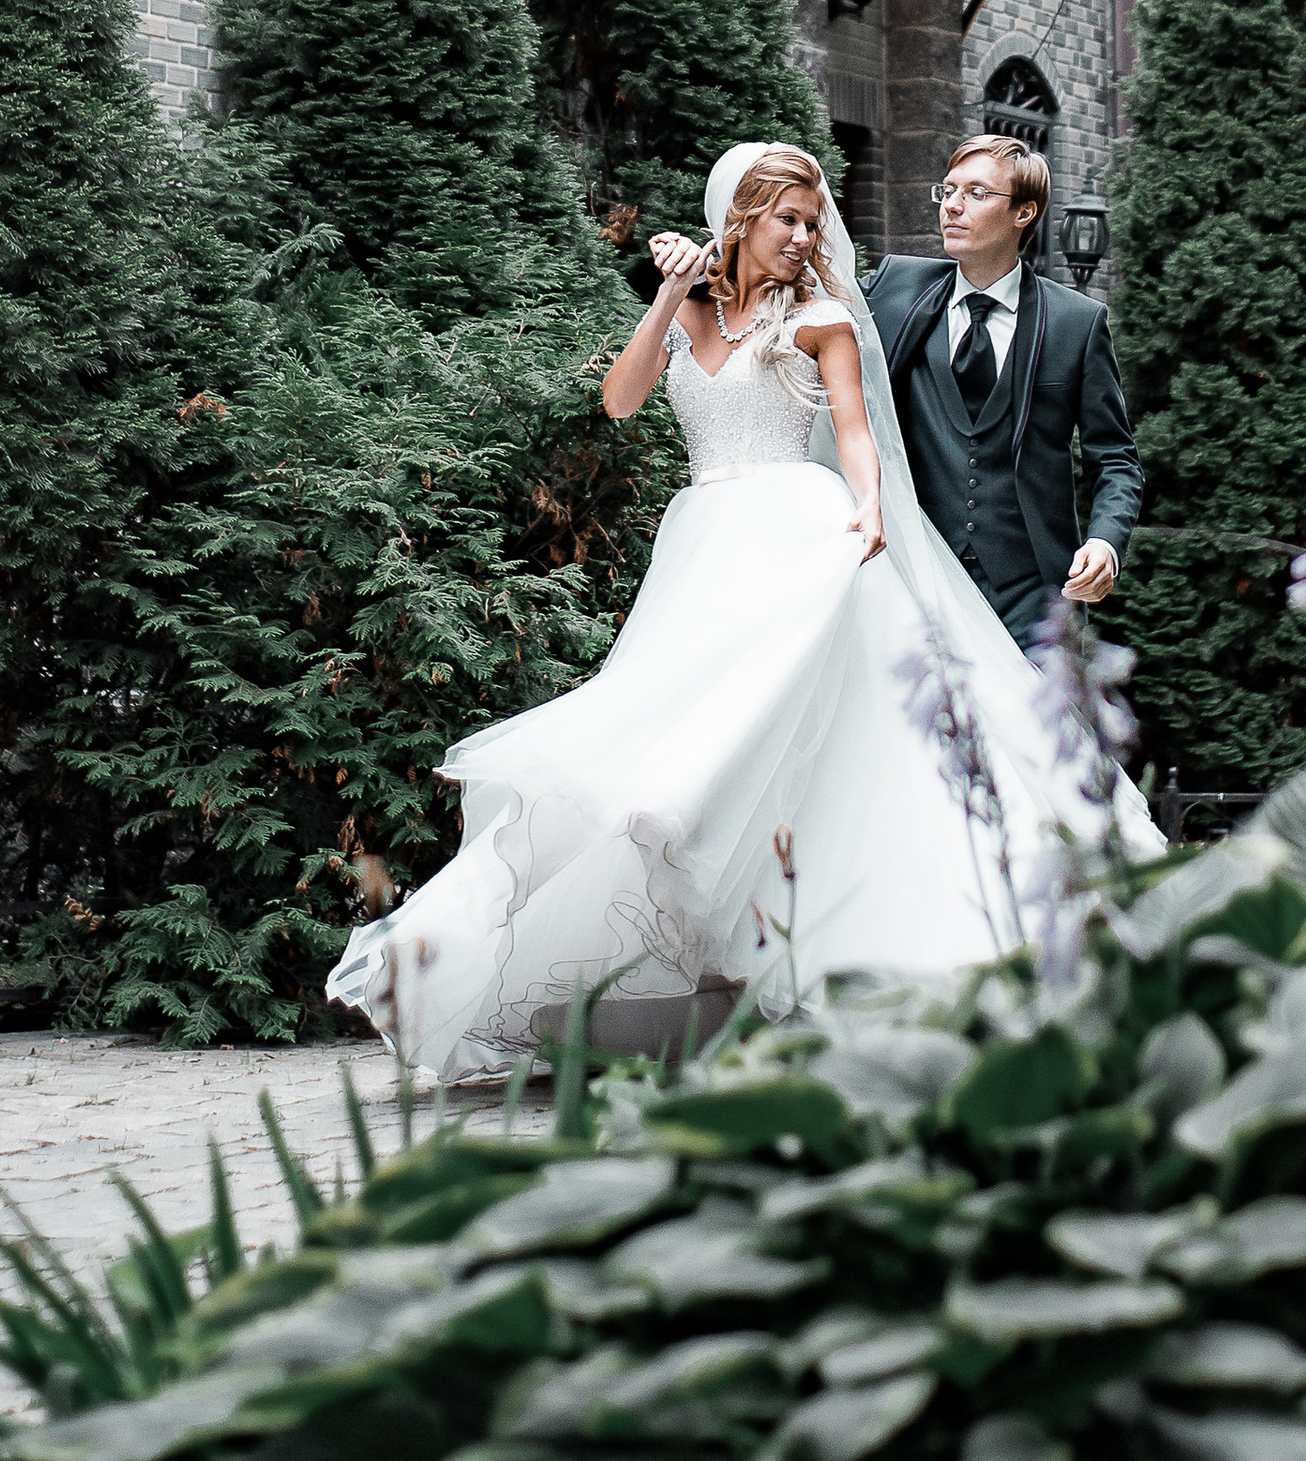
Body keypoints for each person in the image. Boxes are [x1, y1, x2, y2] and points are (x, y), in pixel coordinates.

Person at [326, 138, 1155, 1086]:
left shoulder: (917, 317)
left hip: (897, 556)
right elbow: (622, 400)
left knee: (920, 746)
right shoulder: (836, 293)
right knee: (711, 735)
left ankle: (1016, 925)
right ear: (741, 219)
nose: (807, 236)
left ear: (1024, 215)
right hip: (708, 554)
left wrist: (876, 509)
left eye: (814, 221)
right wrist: (670, 287)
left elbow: (860, 430)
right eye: (787, 220)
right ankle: (718, 950)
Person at [864, 135, 1144, 653]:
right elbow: (797, 283)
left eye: (975, 193)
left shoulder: (1076, 324)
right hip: (915, 579)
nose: (952, 205)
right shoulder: (894, 287)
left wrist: (1105, 542)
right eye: (947, 190)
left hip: (1033, 596)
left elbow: (1117, 460)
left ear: (1024, 212)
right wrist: (700, 268)